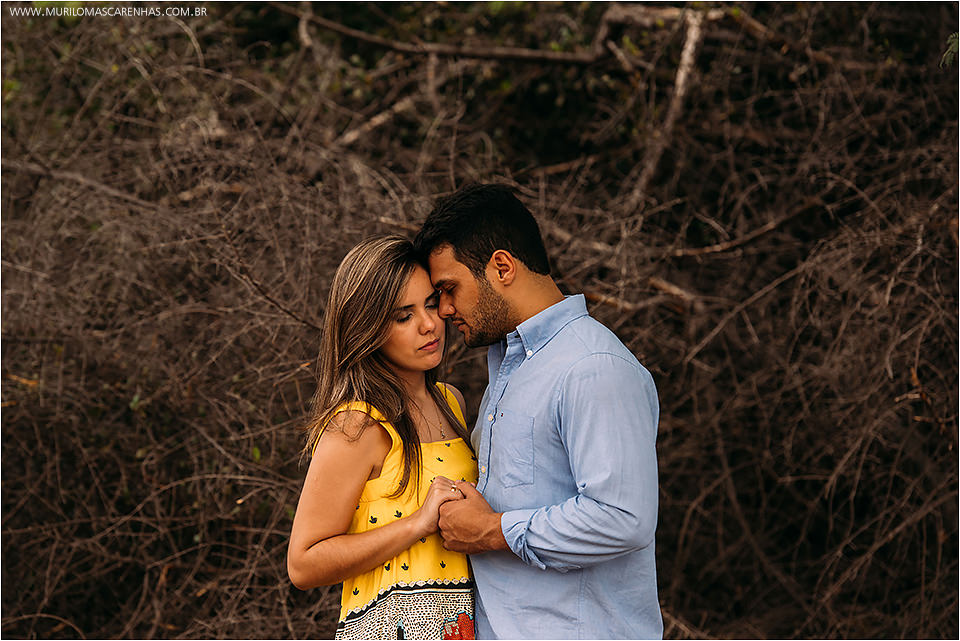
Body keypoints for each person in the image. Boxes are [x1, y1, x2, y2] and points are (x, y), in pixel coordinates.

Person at [413, 184, 663, 640]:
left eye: (449, 289)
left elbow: (623, 519)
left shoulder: (592, 367)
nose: (444, 310)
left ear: (502, 267)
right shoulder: (511, 374)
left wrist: (493, 530)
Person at [287, 236, 479, 640]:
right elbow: (302, 565)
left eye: (430, 303)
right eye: (402, 316)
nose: (429, 325)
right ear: (368, 328)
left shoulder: (452, 402)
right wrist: (417, 524)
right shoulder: (357, 426)